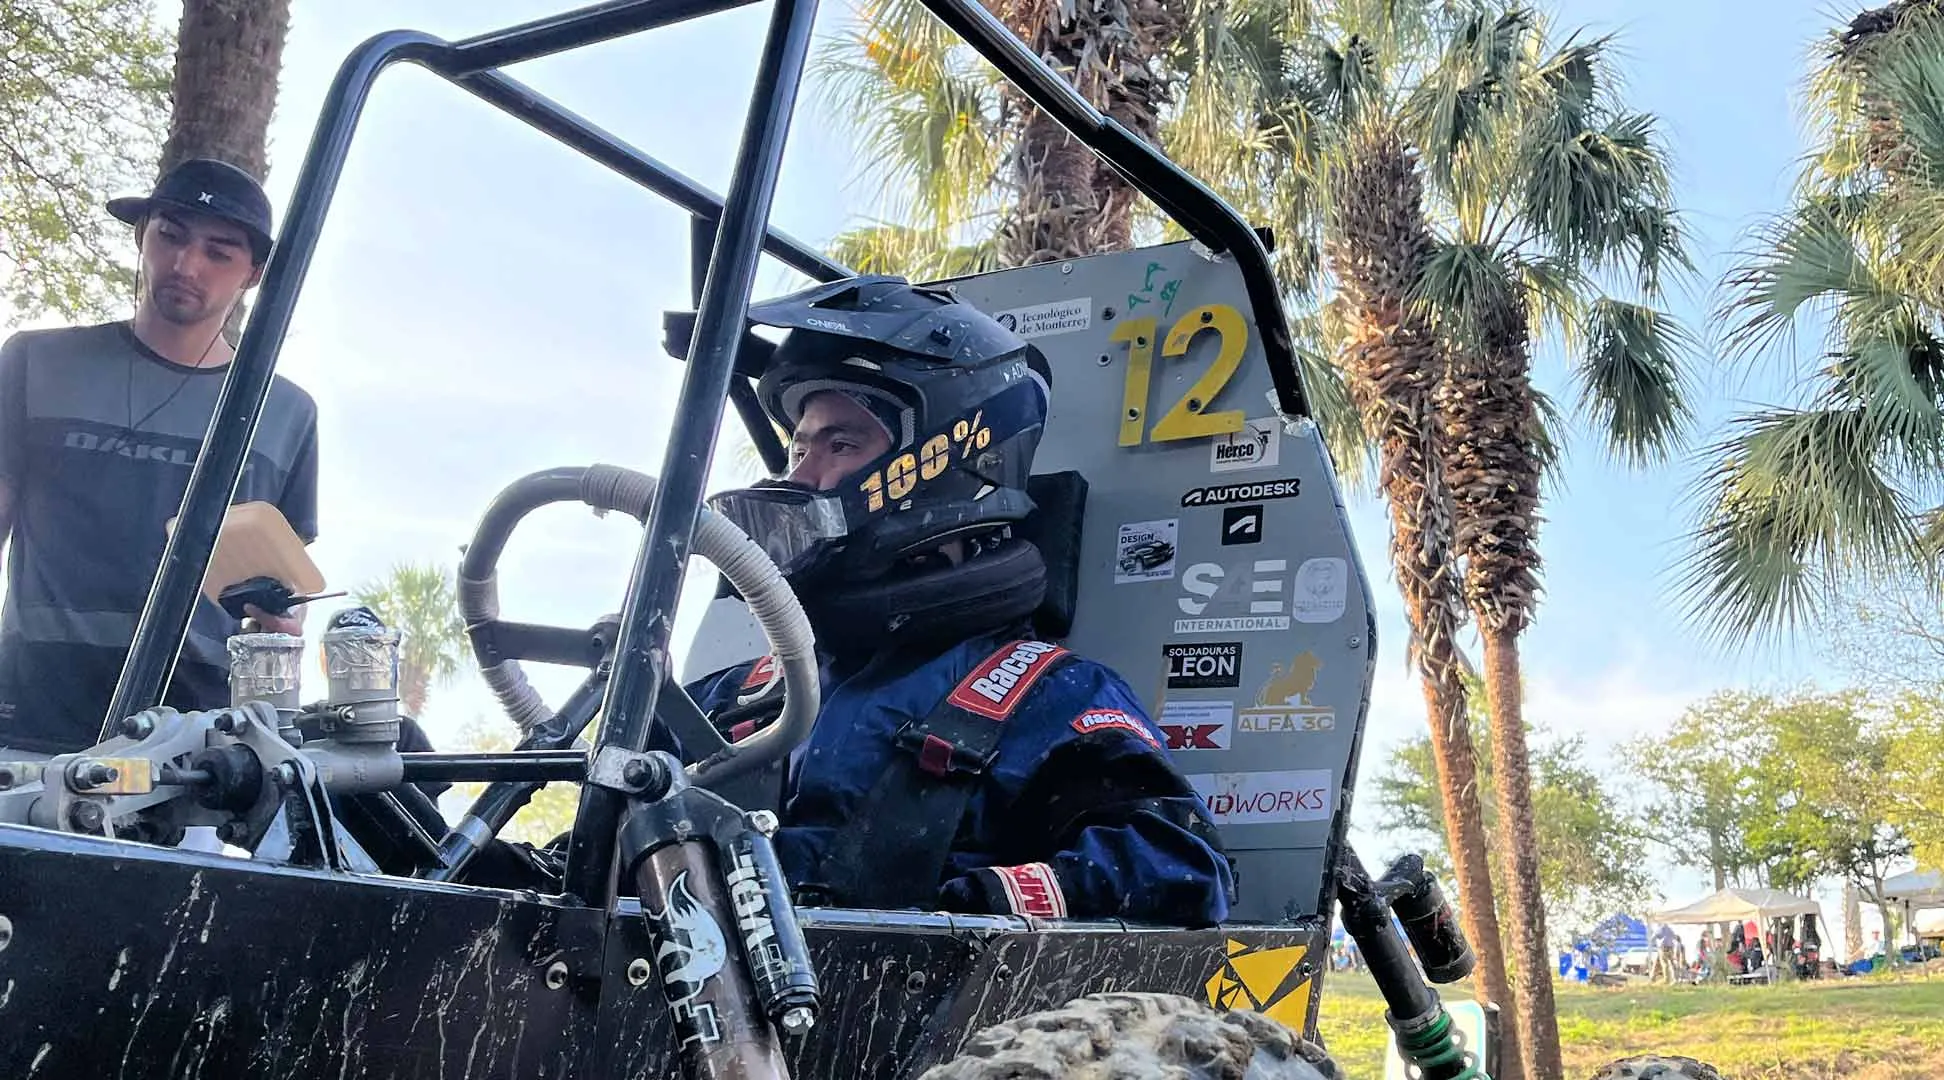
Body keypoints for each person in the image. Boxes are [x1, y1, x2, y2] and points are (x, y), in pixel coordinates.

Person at [688, 276, 1235, 927]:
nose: (800, 475)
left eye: (840, 445)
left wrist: (958, 907)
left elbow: (1180, 864)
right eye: (799, 447)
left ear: (949, 459)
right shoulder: (734, 695)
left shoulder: (1050, 696)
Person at [0, 157, 318, 756]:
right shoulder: (33, 363)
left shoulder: (285, 413)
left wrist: (278, 625)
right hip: (28, 716)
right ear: (142, 236)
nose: (185, 265)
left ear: (252, 274)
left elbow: (277, 608)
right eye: (170, 235)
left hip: (191, 744)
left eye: (218, 252)